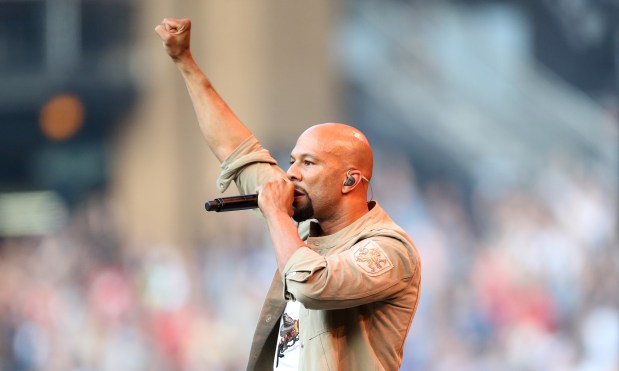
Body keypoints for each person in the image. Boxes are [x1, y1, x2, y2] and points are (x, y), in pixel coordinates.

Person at [155, 18, 422, 371]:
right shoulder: (302, 231)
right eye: (292, 161)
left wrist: (277, 217)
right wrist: (185, 62)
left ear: (349, 181)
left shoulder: (389, 249)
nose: (291, 173)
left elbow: (314, 285)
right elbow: (238, 150)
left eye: (308, 163)